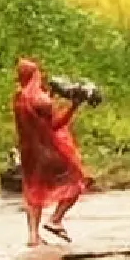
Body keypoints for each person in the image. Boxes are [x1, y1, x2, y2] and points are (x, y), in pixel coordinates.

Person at [11, 57, 87, 246]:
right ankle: (55, 219)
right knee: (76, 181)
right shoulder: (41, 100)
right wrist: (73, 107)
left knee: (33, 191)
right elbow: (54, 124)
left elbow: (36, 119)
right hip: (49, 151)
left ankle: (33, 236)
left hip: (29, 152)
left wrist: (50, 96)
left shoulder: (19, 98)